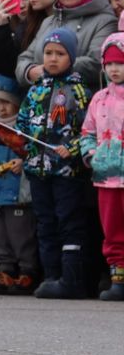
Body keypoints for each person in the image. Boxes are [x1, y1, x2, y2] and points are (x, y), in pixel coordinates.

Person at [19, 27, 94, 299]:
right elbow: (23, 123)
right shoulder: (36, 90)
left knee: (68, 222)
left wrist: (72, 149)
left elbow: (88, 129)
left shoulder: (79, 90)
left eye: (59, 54)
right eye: (48, 53)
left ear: (71, 57)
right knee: (45, 222)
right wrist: (24, 145)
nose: (52, 59)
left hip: (66, 172)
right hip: (38, 170)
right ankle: (50, 276)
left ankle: (72, 278)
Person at [0, 75, 39, 293]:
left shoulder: (22, 128)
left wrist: (21, 162)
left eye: (5, 102)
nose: (1, 108)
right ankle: (5, 269)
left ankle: (27, 271)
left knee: (21, 234)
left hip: (16, 193)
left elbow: (30, 151)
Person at [15, 0, 114, 86]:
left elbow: (97, 63)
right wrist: (29, 71)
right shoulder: (49, 22)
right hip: (44, 102)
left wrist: (51, 68)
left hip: (82, 101)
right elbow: (25, 58)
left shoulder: (105, 21)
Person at [81, 33, 124, 300]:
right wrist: (92, 154)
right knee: (112, 227)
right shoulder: (99, 99)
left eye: (120, 63)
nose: (114, 69)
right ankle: (118, 277)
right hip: (106, 176)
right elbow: (87, 132)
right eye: (109, 64)